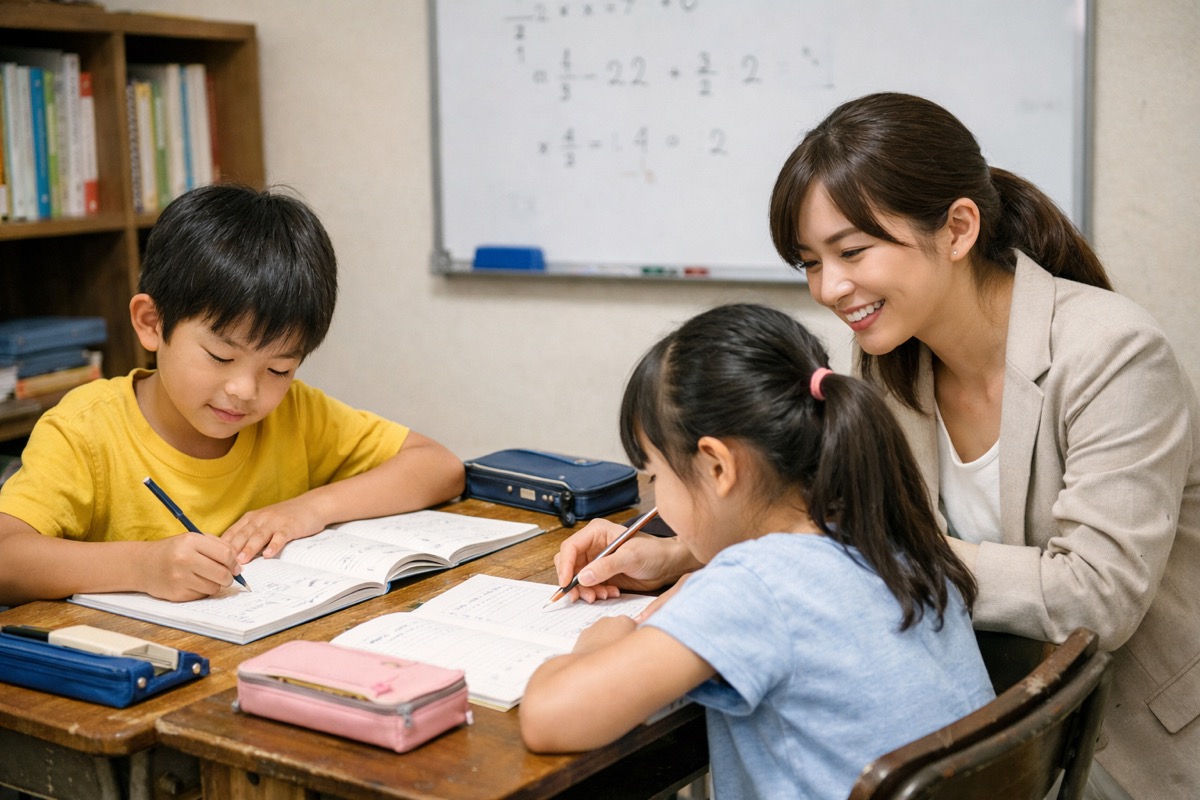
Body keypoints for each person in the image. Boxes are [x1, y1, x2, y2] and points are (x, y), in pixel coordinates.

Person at [554, 93, 1200, 799]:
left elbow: (1093, 600)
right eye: (809, 262)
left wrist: (873, 556)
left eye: (852, 251)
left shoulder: (1114, 353)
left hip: (1122, 751)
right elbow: (827, 517)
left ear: (957, 229)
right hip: (979, 720)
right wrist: (688, 550)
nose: (830, 288)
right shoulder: (893, 359)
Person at [522, 303, 995, 798]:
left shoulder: (752, 588)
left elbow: (547, 719)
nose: (656, 493)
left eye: (657, 476)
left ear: (717, 467)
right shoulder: (884, 529)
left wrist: (603, 642)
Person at [0, 184, 465, 606]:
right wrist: (141, 566)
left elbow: (439, 467)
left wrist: (311, 508)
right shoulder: (87, 429)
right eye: (221, 357)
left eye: (279, 368)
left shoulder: (295, 414)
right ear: (151, 322)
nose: (245, 390)